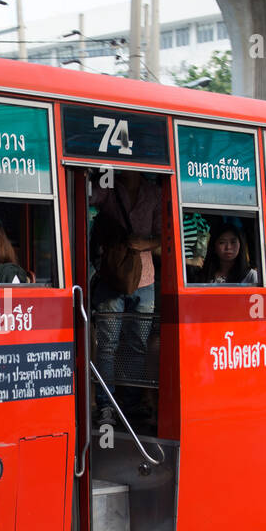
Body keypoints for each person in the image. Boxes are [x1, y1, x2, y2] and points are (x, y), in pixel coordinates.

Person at [90, 171, 162, 426]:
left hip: (145, 279)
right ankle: (107, 406)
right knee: (107, 346)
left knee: (136, 345)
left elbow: (162, 234)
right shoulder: (109, 186)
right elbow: (88, 197)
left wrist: (142, 243)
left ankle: (129, 404)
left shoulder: (153, 192)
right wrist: (100, 173)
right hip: (112, 276)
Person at [194, 221, 258, 285]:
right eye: (222, 242)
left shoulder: (251, 276)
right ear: (214, 247)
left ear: (240, 245)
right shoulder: (204, 275)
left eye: (233, 242)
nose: (228, 247)